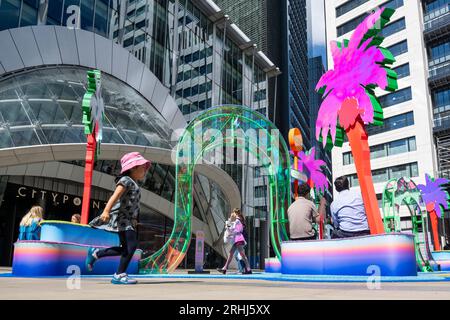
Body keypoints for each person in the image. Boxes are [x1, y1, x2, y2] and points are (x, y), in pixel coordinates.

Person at [85, 152, 150, 285]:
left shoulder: (134, 183)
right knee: (131, 247)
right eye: (142, 167)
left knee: (127, 247)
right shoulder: (126, 181)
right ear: (133, 168)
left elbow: (133, 204)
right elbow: (114, 197)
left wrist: (134, 219)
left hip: (128, 219)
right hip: (122, 218)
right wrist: (106, 211)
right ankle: (119, 274)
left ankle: (97, 254)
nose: (144, 170)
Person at [217, 209, 252, 275]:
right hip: (237, 239)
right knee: (231, 254)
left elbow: (234, 230)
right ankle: (224, 268)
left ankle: (248, 269)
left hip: (238, 239)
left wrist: (228, 225)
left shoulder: (237, 221)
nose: (232, 214)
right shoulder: (238, 221)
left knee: (242, 255)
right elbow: (233, 229)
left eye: (233, 212)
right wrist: (229, 226)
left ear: (235, 213)